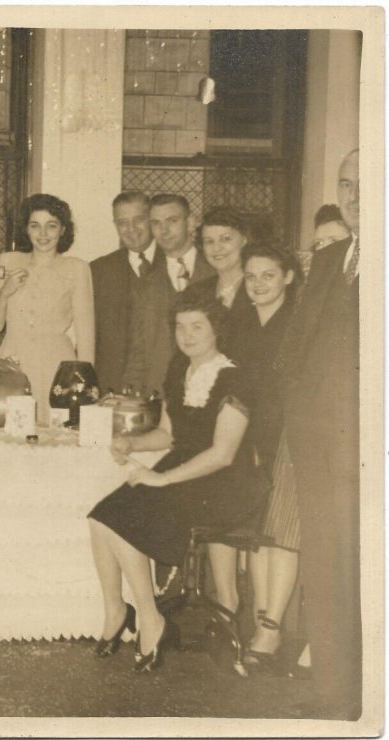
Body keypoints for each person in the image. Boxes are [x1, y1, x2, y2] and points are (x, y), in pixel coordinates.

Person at [87, 290, 261, 672]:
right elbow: (168, 434)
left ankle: (150, 618)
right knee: (100, 517)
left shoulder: (236, 378)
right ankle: (117, 609)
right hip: (183, 468)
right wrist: (131, 441)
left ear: (217, 328)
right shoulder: (178, 368)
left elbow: (223, 454)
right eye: (181, 327)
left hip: (224, 483)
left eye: (198, 326)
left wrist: (162, 479)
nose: (188, 335)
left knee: (121, 522)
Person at [279, 149, 361, 719]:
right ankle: (335, 693)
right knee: (328, 567)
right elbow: (295, 350)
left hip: (369, 453)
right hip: (319, 448)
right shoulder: (330, 260)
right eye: (345, 184)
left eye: (366, 184)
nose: (354, 196)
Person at [228, 245, 298, 671]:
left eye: (268, 275)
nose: (258, 284)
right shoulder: (241, 322)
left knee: (283, 533)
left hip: (288, 435)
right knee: (256, 532)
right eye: (251, 276)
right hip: (249, 434)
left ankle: (270, 630)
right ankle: (260, 625)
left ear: (287, 277)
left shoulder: (298, 320)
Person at [0, 193, 94, 423]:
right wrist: (5, 292)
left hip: (57, 369)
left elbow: (86, 335)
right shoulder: (9, 261)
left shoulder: (77, 268)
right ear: (26, 229)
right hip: (14, 364)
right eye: (35, 225)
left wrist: (84, 386)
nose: (43, 234)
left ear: (63, 230)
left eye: (51, 226)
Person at [124, 193, 216, 396]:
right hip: (160, 394)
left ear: (190, 223)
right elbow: (138, 351)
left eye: (172, 221)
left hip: (210, 391)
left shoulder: (217, 272)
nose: (164, 230)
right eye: (156, 223)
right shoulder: (146, 282)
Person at [91, 191, 163, 393]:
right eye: (122, 223)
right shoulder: (99, 270)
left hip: (164, 387)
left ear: (151, 220)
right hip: (112, 386)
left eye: (139, 220)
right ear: (115, 226)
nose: (131, 229)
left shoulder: (174, 262)